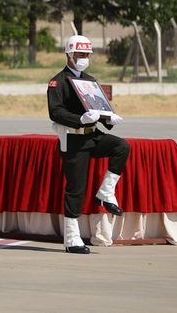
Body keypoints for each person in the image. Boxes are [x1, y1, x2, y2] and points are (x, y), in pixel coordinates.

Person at [48, 34, 129, 255]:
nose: (84, 58)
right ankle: (72, 239)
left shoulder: (90, 80)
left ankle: (106, 192)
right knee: (76, 189)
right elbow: (55, 111)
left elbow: (97, 106)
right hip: (72, 139)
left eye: (86, 54)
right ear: (69, 55)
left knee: (121, 147)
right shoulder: (58, 81)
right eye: (80, 54)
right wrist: (79, 119)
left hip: (92, 135)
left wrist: (108, 118)